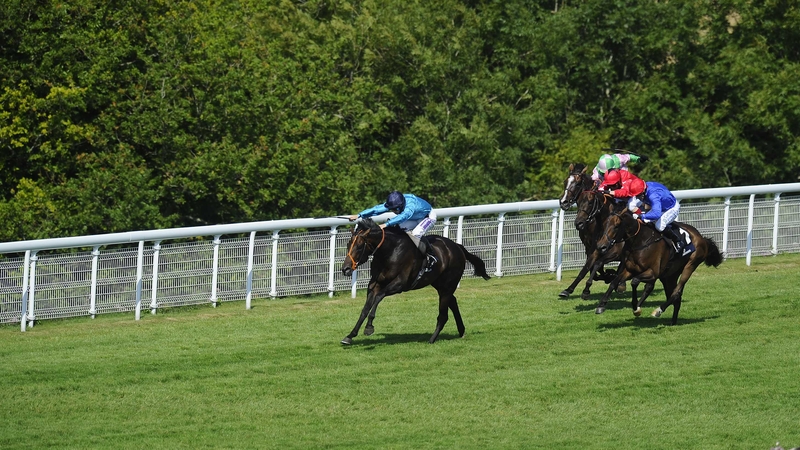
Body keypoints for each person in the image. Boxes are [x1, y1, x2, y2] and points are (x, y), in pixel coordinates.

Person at [599, 169, 685, 253]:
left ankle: (678, 241)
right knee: (643, 217)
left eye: (638, 196)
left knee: (659, 226)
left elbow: (656, 213)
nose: (637, 198)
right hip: (661, 206)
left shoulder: (653, 196)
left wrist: (641, 216)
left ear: (643, 192)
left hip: (671, 208)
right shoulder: (641, 188)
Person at [349, 191, 438, 271]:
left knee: (416, 233)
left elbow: (403, 217)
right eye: (392, 209)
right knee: (399, 228)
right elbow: (377, 209)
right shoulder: (396, 202)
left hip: (428, 217)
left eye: (395, 209)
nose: (393, 211)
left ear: (401, 205)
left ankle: (431, 255)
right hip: (414, 218)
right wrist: (359, 215)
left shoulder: (410, 206)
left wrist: (386, 224)